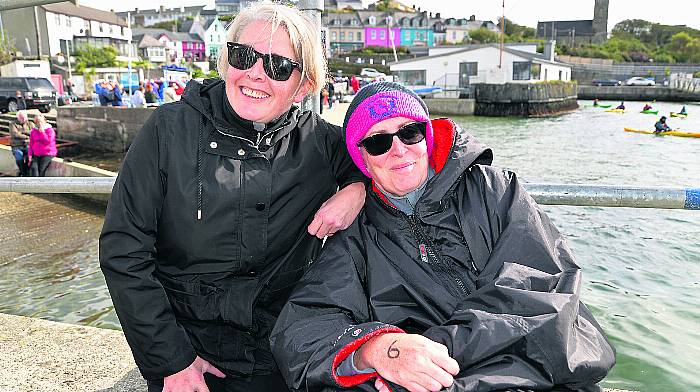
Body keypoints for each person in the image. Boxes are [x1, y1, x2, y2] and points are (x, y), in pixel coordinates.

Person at [271, 82, 616, 392]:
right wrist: (374, 349)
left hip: (551, 375)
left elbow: (541, 292)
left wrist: (432, 354)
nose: (398, 149)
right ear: (361, 159)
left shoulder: (494, 190)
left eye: (410, 133)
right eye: (378, 142)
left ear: (428, 135)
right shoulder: (356, 237)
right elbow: (300, 329)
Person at [99, 2, 366, 392]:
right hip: (189, 347)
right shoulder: (167, 130)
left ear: (304, 85)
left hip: (281, 349)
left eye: (278, 66)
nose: (256, 73)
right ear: (226, 61)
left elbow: (401, 164)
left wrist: (358, 189)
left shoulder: (321, 143)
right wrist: (172, 360)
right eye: (244, 56)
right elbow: (124, 250)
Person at [9, 110, 33, 176]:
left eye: (25, 118)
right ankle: (24, 173)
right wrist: (26, 136)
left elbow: (33, 133)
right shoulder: (13, 124)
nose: (24, 119)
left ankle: (25, 172)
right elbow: (15, 134)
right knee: (19, 156)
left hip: (28, 145)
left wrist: (22, 132)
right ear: (18, 118)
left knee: (30, 156)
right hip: (17, 145)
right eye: (22, 118)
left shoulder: (30, 123)